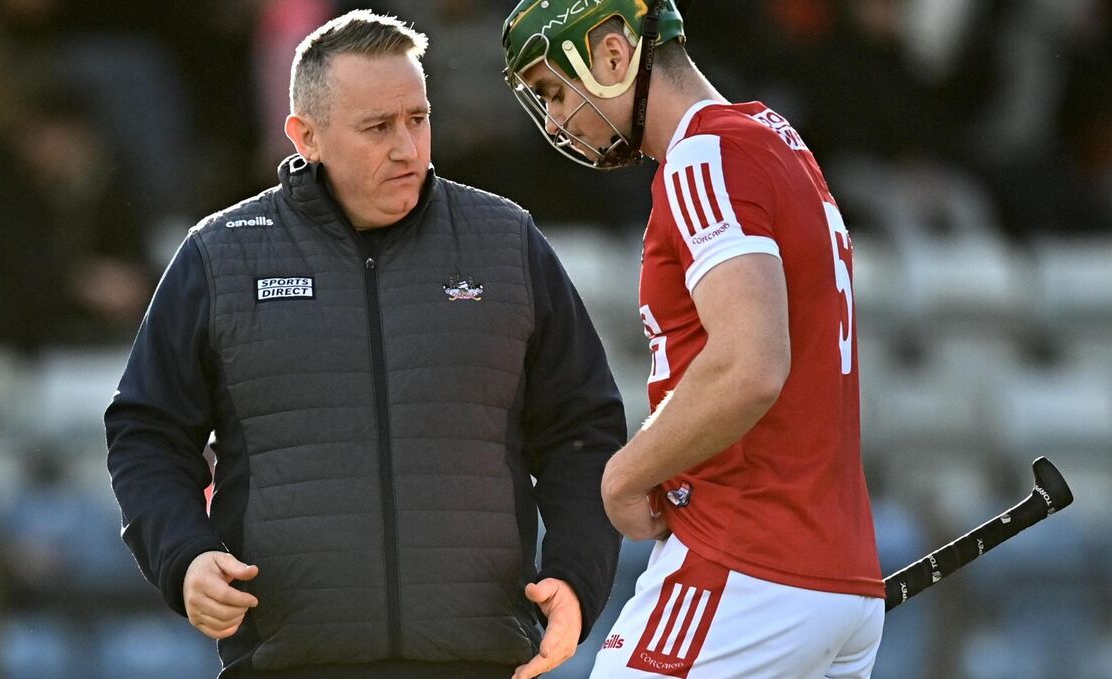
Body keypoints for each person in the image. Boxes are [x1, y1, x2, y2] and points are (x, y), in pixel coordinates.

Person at [106, 10, 625, 679]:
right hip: (289, 663)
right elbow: (146, 434)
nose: (408, 146)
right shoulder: (220, 254)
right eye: (379, 127)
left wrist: (578, 576)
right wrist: (184, 556)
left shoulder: (508, 242)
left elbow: (583, 431)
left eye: (418, 117)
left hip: (482, 660)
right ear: (307, 135)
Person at [501, 2, 885, 677]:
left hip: (746, 564)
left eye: (556, 91)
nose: (557, 119)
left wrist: (624, 474)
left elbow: (750, 363)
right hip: (838, 576)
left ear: (614, 57)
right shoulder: (774, 138)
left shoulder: (701, 156)